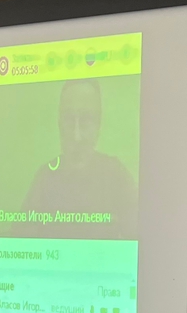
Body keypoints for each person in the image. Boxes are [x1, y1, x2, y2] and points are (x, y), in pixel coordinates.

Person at [23, 79, 137, 227]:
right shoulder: (44, 178)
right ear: (59, 125)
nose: (76, 137)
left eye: (86, 120)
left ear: (98, 126)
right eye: (69, 119)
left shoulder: (117, 176)